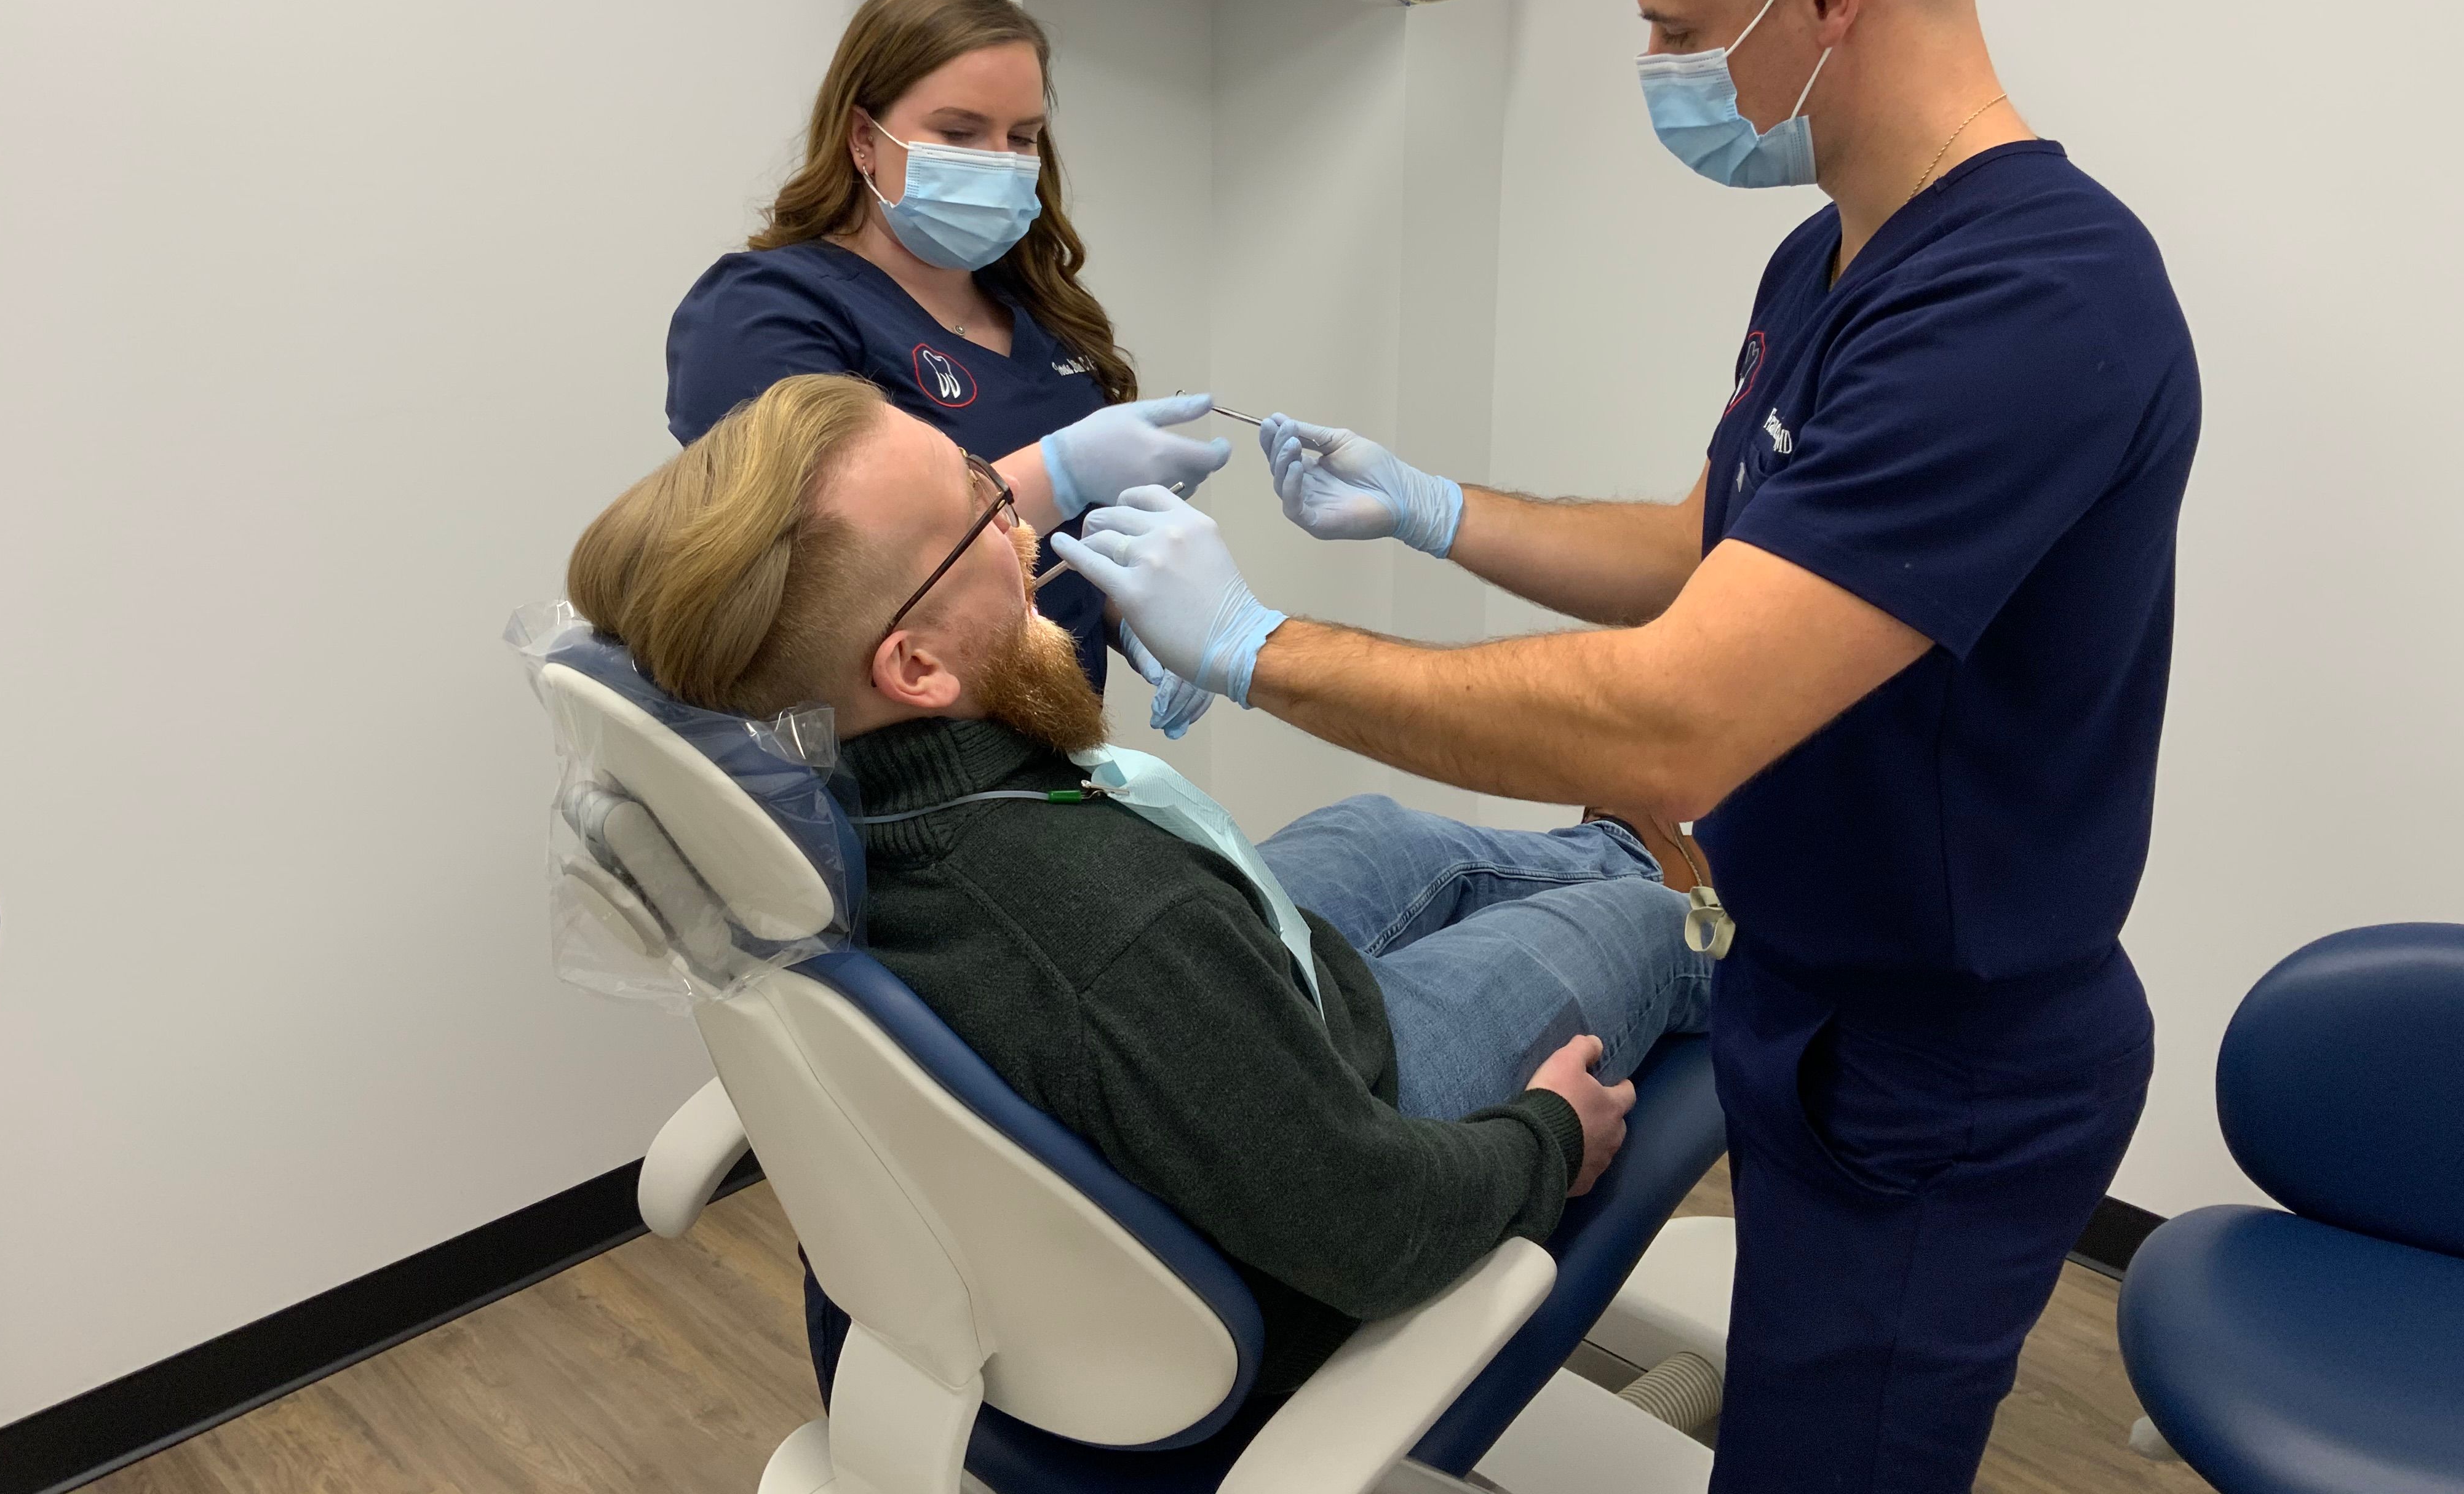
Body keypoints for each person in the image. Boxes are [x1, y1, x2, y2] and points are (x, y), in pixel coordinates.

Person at [1052, 0, 2199, 1493]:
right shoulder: (1829, 256)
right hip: (1792, 978)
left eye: (1673, 30)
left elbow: (1679, 713)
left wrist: (1260, 650)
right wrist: (1438, 511)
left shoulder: (2031, 304)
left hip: (1944, 1060)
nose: (1656, 69)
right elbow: (1708, 547)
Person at [566, 373, 1714, 1404]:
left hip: (1209, 1039)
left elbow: (1137, 938)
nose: (1023, 526)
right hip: (1341, 1154)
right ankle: (1669, 892)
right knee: (1654, 923)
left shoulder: (837, 798)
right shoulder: (1114, 930)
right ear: (915, 666)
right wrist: (1549, 1135)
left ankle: (1617, 841)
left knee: (1373, 829)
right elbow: (1372, 1226)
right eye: (982, 512)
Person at [664, 0, 1230, 717]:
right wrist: (1061, 470)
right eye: (960, 133)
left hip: (1045, 748)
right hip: (886, 765)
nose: (999, 162)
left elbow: (1069, 548)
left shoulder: (1036, 313)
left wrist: (1142, 616)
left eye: (1022, 137)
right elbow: (819, 573)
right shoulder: (767, 310)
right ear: (865, 138)